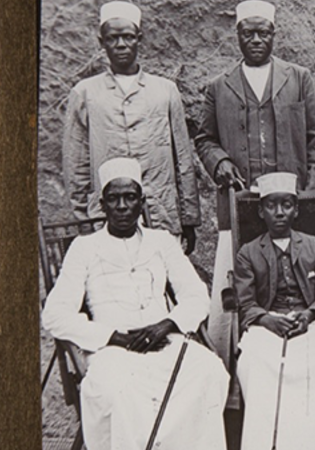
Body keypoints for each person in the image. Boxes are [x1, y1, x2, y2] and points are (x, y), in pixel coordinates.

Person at [194, 1, 315, 419]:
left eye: (263, 33)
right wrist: (220, 163)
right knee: (235, 294)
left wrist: (311, 194)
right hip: (242, 205)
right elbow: (204, 138)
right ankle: (234, 394)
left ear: (274, 34)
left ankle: (300, 395)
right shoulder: (220, 86)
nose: (256, 40)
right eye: (248, 34)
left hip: (290, 205)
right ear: (237, 36)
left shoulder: (298, 79)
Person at [42, 158, 229, 450]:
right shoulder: (85, 247)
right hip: (112, 350)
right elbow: (54, 314)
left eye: (130, 197)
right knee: (119, 390)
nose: (121, 206)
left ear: (142, 203)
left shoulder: (162, 242)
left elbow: (196, 294)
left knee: (209, 371)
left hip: (164, 340)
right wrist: (115, 337)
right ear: (102, 205)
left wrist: (165, 325)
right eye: (113, 199)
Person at [230, 172, 315, 450]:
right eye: (271, 206)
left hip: (312, 320)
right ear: (261, 211)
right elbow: (247, 303)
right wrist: (267, 320)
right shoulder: (247, 253)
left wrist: (309, 315)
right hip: (267, 324)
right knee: (256, 359)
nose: (279, 212)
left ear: (296, 209)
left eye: (286, 205)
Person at [62, 1, 201, 254]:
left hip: (160, 213)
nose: (121, 44)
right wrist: (84, 221)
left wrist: (189, 218)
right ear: (101, 42)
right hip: (105, 218)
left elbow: (183, 158)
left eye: (128, 37)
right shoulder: (85, 93)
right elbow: (76, 165)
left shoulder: (165, 91)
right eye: (113, 38)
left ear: (139, 38)